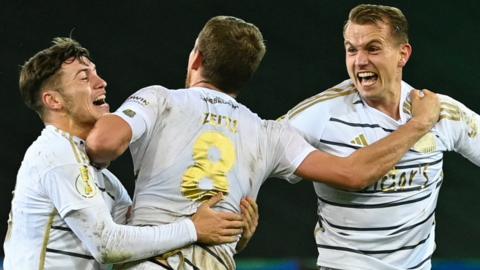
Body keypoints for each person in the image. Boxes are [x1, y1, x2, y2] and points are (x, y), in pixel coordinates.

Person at [86, 16, 440, 270]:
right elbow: (353, 174)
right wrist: (419, 123)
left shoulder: (160, 99)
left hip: (151, 259)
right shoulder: (268, 132)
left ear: (196, 58)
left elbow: (103, 143)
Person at [3, 37, 250, 270]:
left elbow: (147, 238)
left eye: (96, 73)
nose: (101, 82)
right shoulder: (54, 153)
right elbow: (107, 244)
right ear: (54, 101)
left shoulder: (105, 181)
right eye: (83, 78)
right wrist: (193, 229)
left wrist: (226, 235)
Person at [282, 4, 480, 270]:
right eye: (351, 49)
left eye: (372, 48)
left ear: (403, 54)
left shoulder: (440, 111)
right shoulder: (317, 114)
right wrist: (211, 221)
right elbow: (252, 154)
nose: (360, 60)